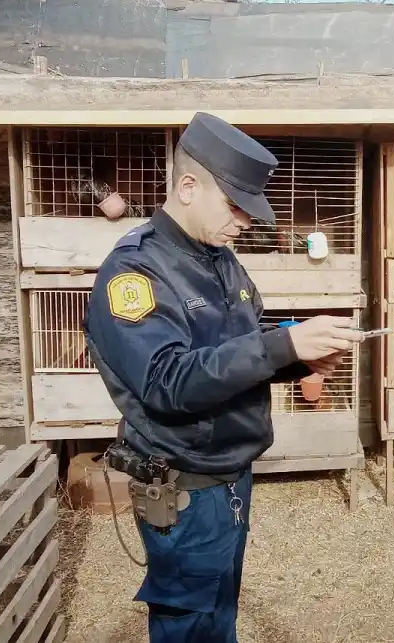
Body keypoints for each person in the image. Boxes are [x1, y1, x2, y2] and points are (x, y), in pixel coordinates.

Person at [83, 112, 364, 643]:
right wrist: (279, 346)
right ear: (188, 187)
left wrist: (300, 357)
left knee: (220, 618)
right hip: (185, 485)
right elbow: (166, 381)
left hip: (232, 473)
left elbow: (240, 338)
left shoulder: (220, 260)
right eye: (236, 205)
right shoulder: (135, 273)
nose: (246, 221)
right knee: (190, 628)